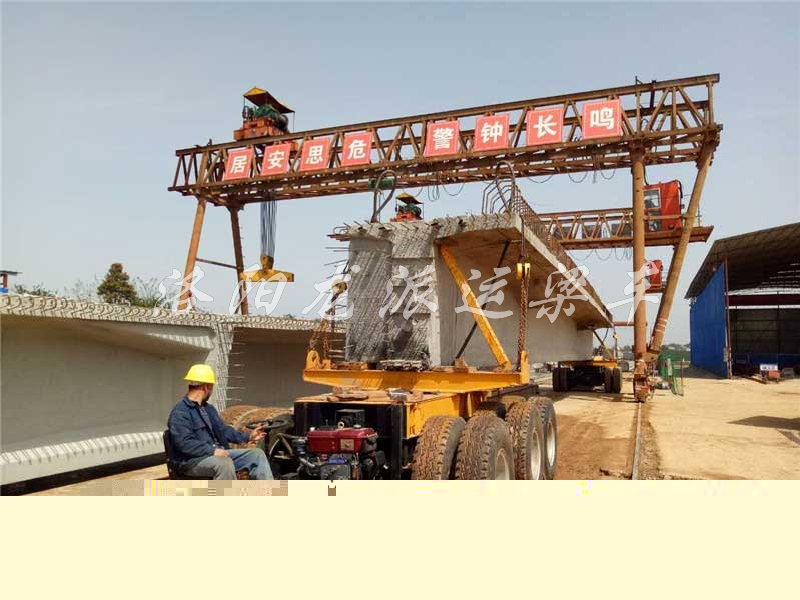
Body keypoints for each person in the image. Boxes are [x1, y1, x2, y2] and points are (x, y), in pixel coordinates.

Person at [167, 364, 273, 479]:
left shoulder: (208, 409)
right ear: (206, 387)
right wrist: (212, 451)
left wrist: (249, 436)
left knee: (257, 455)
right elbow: (184, 443)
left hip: (214, 456)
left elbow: (223, 430)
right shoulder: (180, 412)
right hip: (191, 461)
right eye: (211, 387)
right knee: (224, 464)